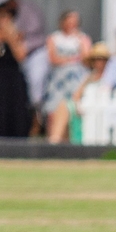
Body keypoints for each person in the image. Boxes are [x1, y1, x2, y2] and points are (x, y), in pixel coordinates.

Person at [0, 0, 33, 139]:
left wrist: (10, 38)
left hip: (13, 79)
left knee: (16, 110)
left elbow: (21, 56)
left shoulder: (16, 36)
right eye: (0, 17)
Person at [41, 10, 92, 143]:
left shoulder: (82, 38)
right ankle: (54, 140)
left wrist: (78, 43)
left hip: (76, 80)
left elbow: (87, 58)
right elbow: (53, 58)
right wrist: (72, 58)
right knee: (54, 110)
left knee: (74, 111)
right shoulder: (54, 38)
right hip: (59, 81)